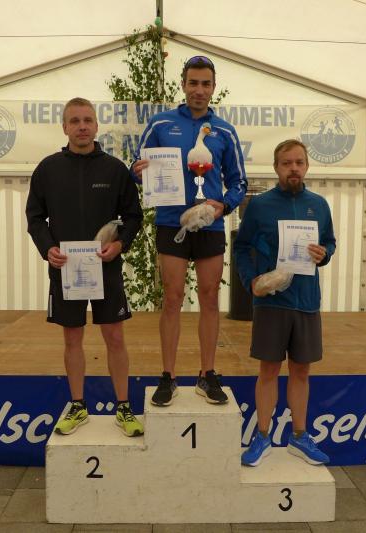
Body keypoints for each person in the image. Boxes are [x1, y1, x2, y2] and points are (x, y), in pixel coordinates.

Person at [132, 56, 247, 406]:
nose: (199, 89)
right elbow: (137, 165)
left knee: (210, 298)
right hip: (171, 222)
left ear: (213, 87)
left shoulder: (225, 131)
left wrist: (223, 205)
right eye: (193, 82)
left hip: (209, 224)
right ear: (182, 84)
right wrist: (138, 171)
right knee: (172, 298)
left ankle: (206, 374)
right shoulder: (160, 123)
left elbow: (239, 182)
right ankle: (168, 376)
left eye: (205, 84)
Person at [26, 97, 144, 437]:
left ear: (96, 126)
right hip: (65, 270)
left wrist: (120, 245)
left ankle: (124, 407)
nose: (82, 126)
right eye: (75, 121)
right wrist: (47, 248)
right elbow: (35, 218)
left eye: (87, 120)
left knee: (115, 336)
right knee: (72, 338)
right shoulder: (47, 169)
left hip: (106, 269)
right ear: (64, 127)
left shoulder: (115, 169)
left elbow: (133, 216)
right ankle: (78, 406)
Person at [233, 139, 336, 466]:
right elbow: (241, 247)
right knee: (268, 369)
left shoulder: (319, 205)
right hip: (272, 303)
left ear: (307, 166)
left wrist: (324, 254)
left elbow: (330, 243)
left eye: (299, 162)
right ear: (276, 167)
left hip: (306, 301)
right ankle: (262, 436)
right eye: (287, 163)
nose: (294, 168)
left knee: (301, 370)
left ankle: (299, 437)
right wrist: (252, 281)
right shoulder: (260, 206)